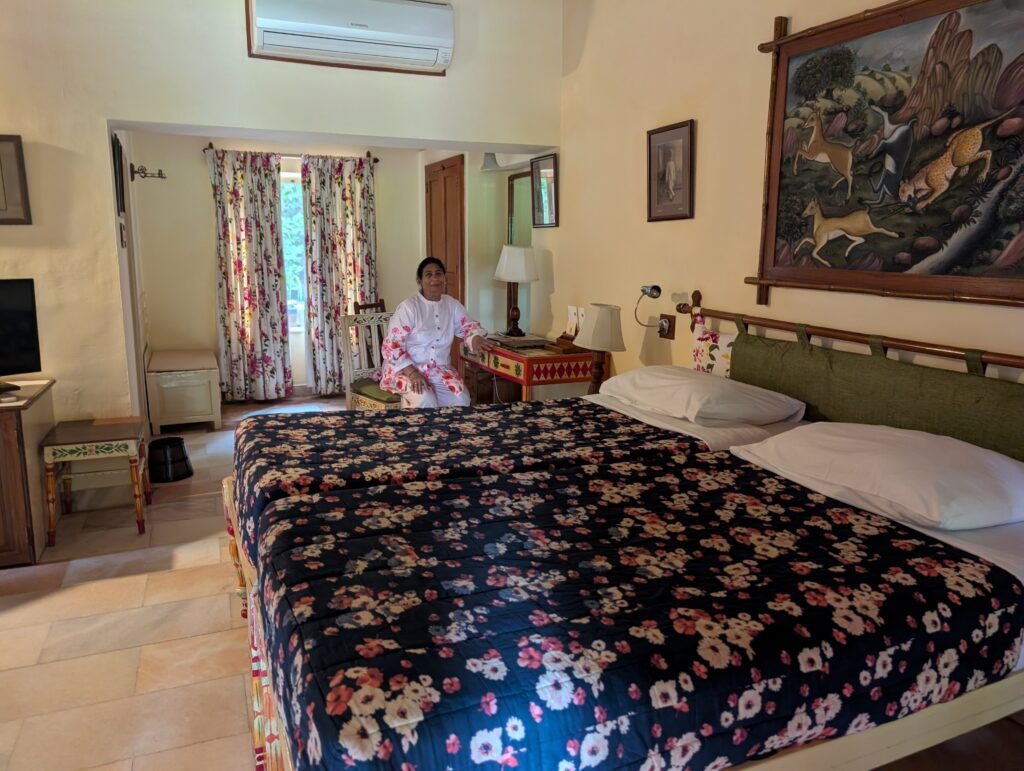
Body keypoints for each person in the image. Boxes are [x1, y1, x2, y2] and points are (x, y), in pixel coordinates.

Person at [379, 257, 494, 408]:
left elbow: (468, 326)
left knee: (461, 399)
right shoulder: (409, 307)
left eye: (438, 274)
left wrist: (475, 338)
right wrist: (412, 373)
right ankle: (419, 423)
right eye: (429, 274)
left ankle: (447, 425)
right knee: (426, 399)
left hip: (440, 371)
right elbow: (392, 345)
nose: (434, 278)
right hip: (405, 370)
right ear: (420, 280)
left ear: (444, 278)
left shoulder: (451, 304)